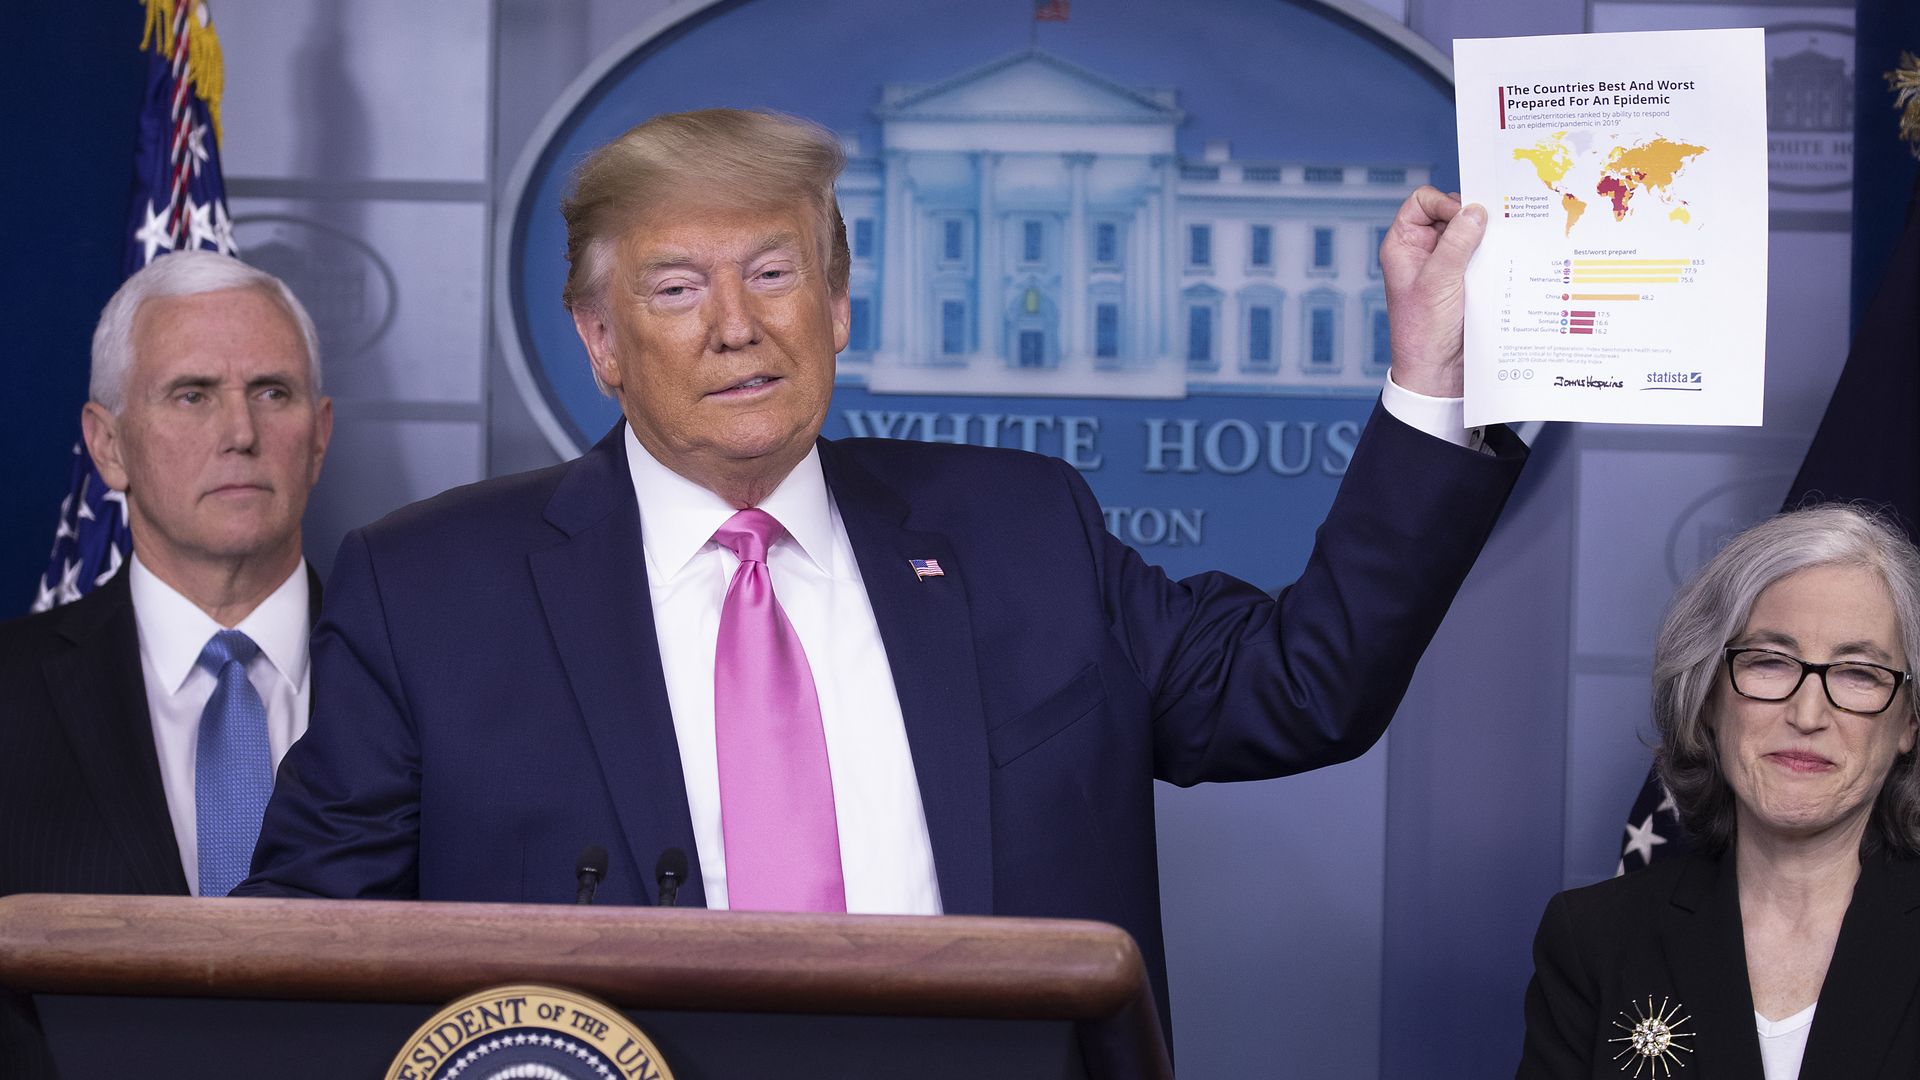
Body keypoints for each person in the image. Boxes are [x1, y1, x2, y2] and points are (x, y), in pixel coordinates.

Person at [238, 109, 1525, 1033]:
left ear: (840, 308)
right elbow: (297, 962)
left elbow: (1305, 686)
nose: (736, 325)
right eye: (677, 287)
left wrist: (1432, 378)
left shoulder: (1020, 530)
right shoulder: (431, 594)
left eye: (775, 273)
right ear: (600, 340)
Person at [0, 251, 333, 1074]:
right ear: (108, 445)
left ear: (320, 434)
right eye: (193, 395)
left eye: (272, 392)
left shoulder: (432, 685)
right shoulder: (8, 698)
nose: (241, 433)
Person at [1519, 505, 1920, 1078]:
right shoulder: (1594, 940)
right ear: (1707, 693)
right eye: (1769, 662)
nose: (1808, 714)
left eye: (1859, 673)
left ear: (1910, 721)